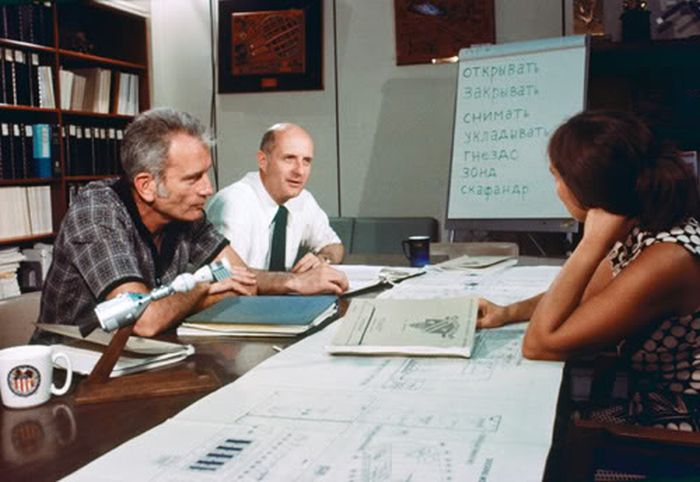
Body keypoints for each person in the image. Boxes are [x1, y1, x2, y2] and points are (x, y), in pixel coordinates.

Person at [35, 108, 347, 339]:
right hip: (68, 370)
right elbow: (143, 319)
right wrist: (203, 288)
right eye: (193, 178)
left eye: (206, 173)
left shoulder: (186, 215)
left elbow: (241, 278)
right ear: (147, 186)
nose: (208, 189)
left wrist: (292, 283)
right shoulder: (97, 213)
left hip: (148, 357)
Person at [478, 110, 700, 430]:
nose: (556, 189)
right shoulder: (644, 227)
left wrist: (590, 244)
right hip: (650, 399)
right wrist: (508, 312)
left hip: (678, 424)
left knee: (547, 436)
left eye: (557, 177)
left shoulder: (668, 259)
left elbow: (540, 345)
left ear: (586, 187)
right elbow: (584, 297)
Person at [207, 123, 344, 273]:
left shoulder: (302, 200)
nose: (299, 171)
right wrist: (291, 282)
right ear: (263, 161)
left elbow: (334, 245)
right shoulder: (235, 202)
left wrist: (323, 259)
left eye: (306, 161)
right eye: (289, 158)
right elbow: (221, 272)